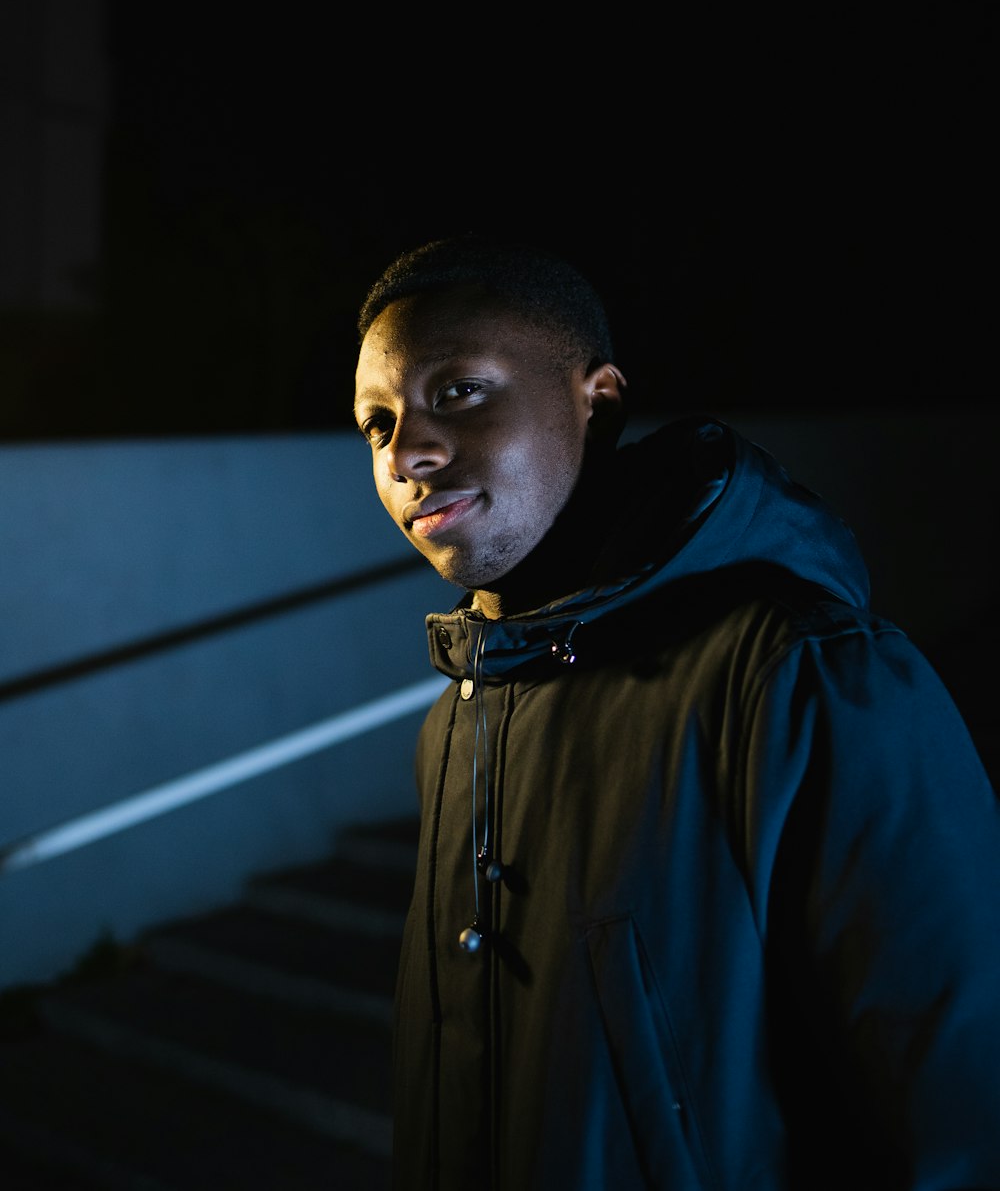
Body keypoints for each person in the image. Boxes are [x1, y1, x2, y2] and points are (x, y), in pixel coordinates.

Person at [352, 230, 1000, 1191]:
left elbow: (957, 1123)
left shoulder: (808, 674)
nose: (409, 452)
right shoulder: (457, 724)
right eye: (376, 423)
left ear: (597, 398)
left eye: (459, 391)